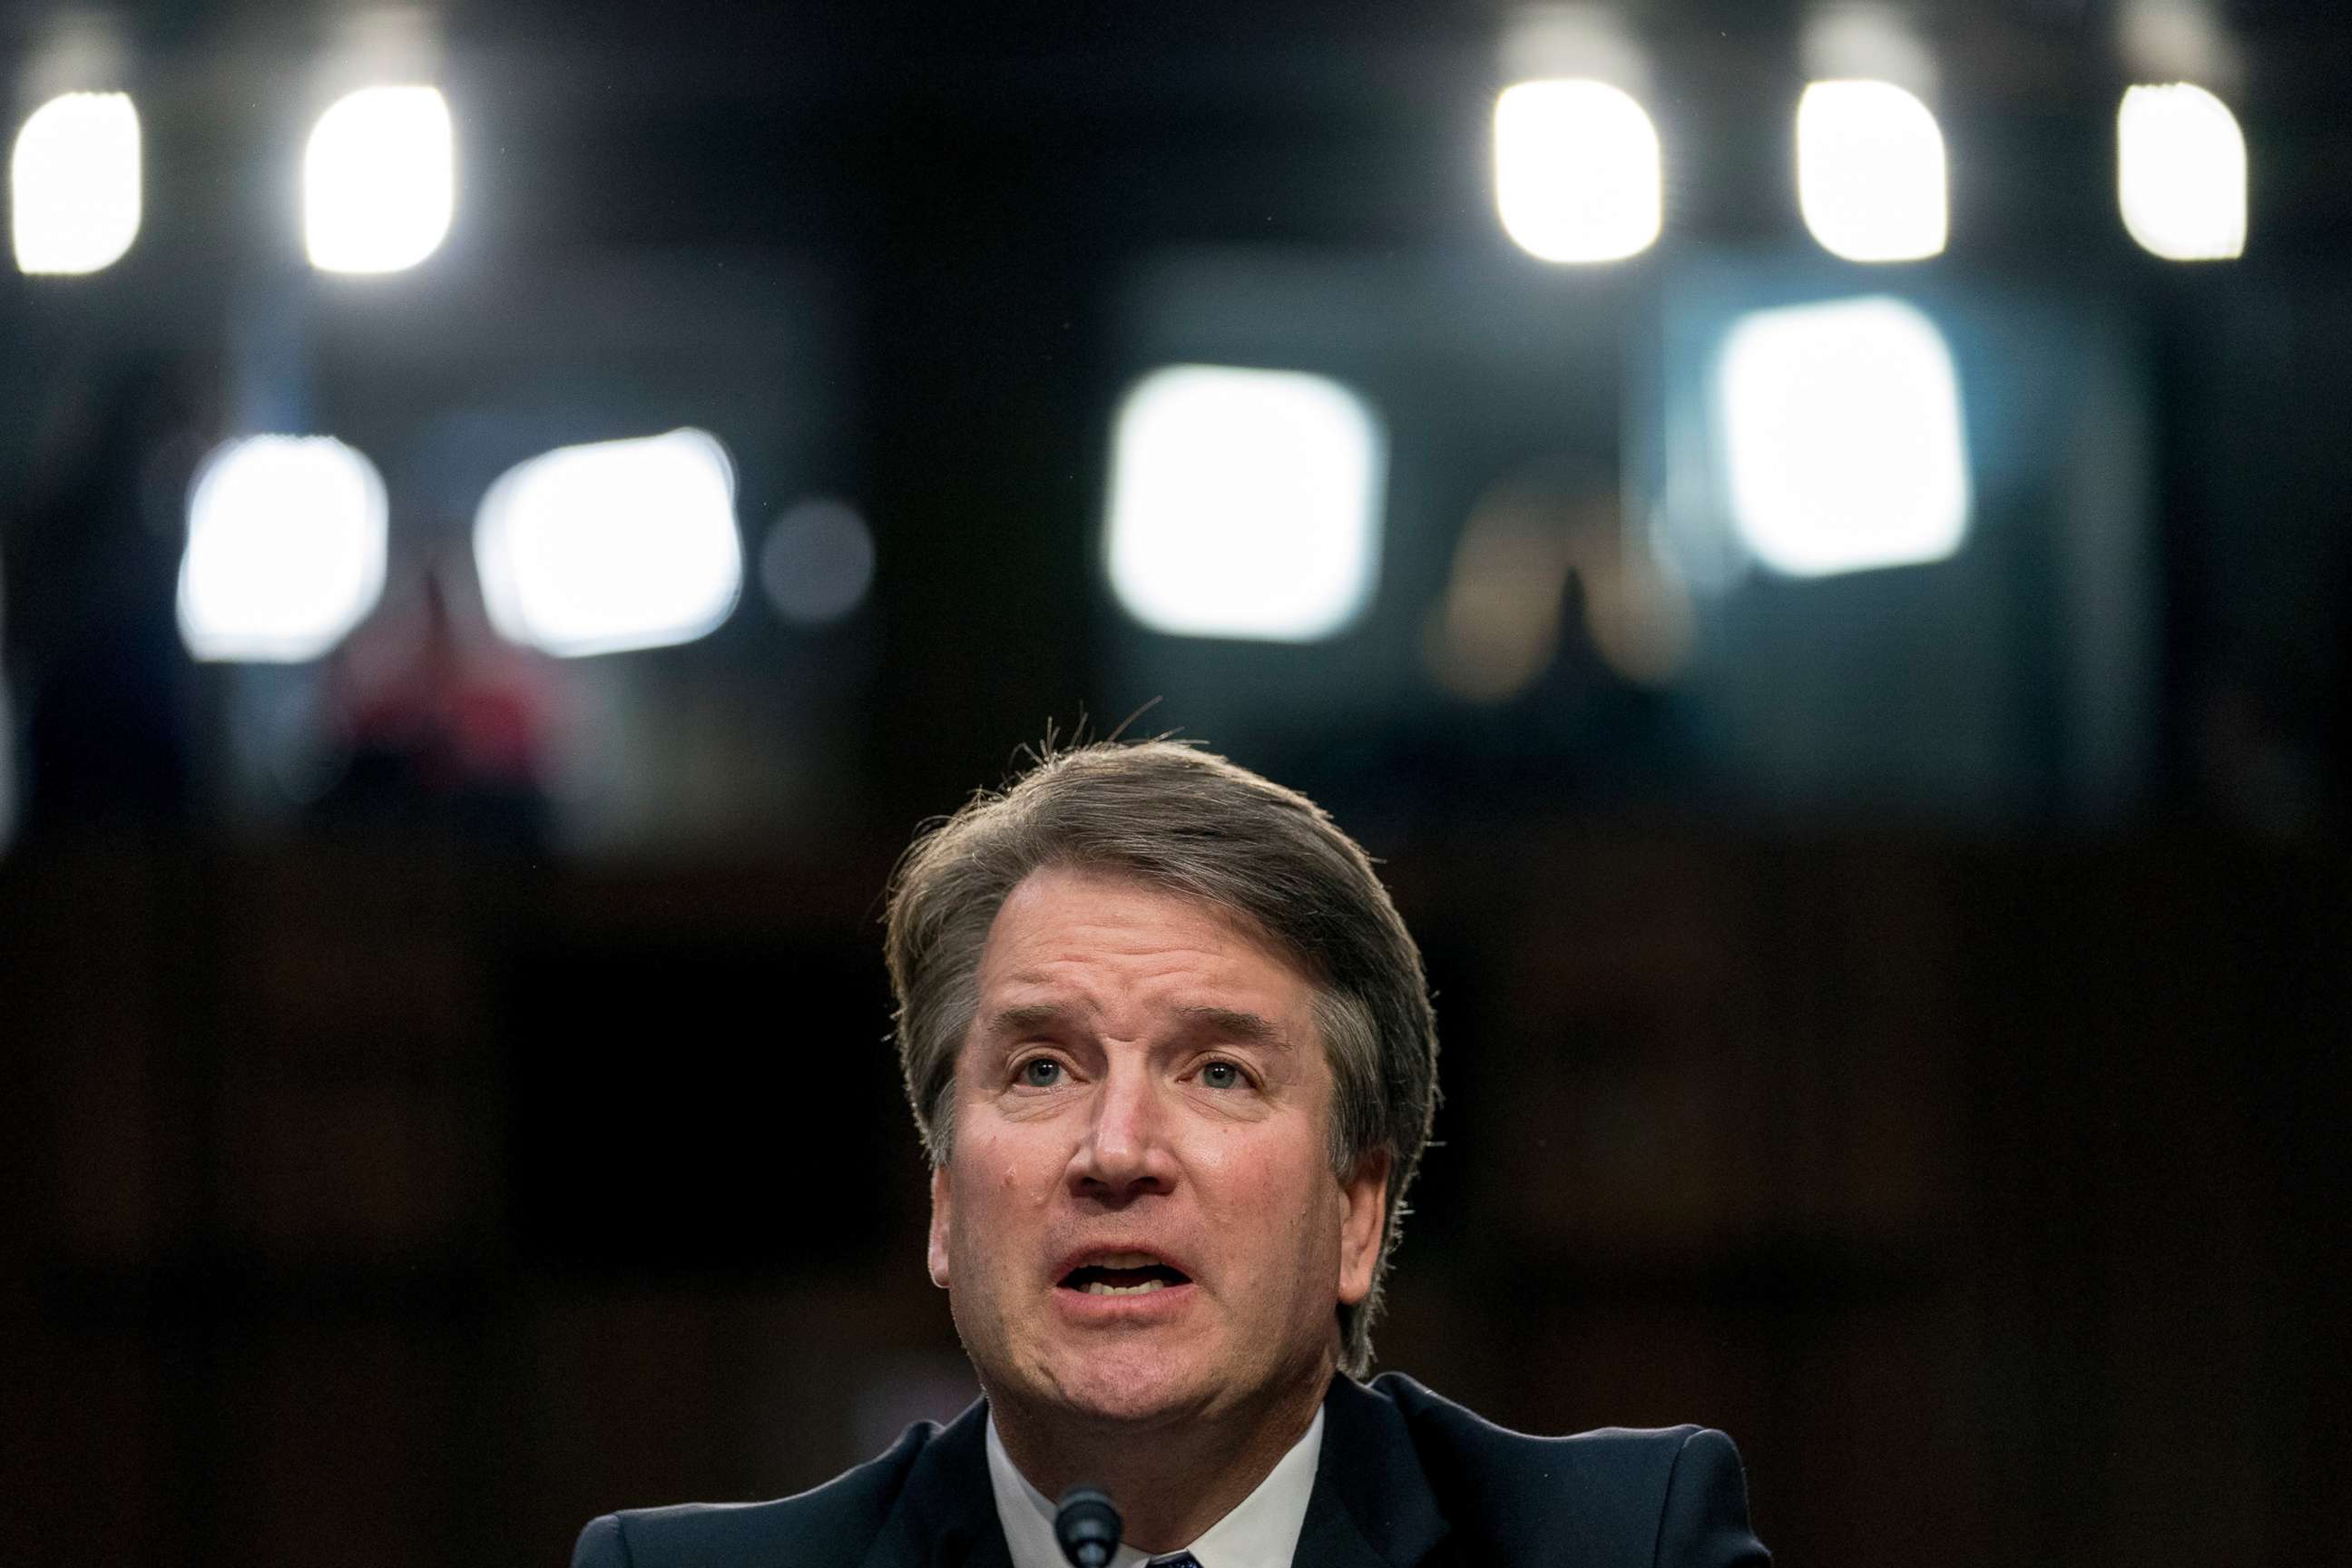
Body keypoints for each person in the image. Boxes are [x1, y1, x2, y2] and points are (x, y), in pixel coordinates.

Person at [573, 740, 1769, 1568]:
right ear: (944, 1202)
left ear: (1359, 1209)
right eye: (1041, 1069)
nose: (1117, 1150)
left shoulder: (1621, 1543)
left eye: (1219, 1074)